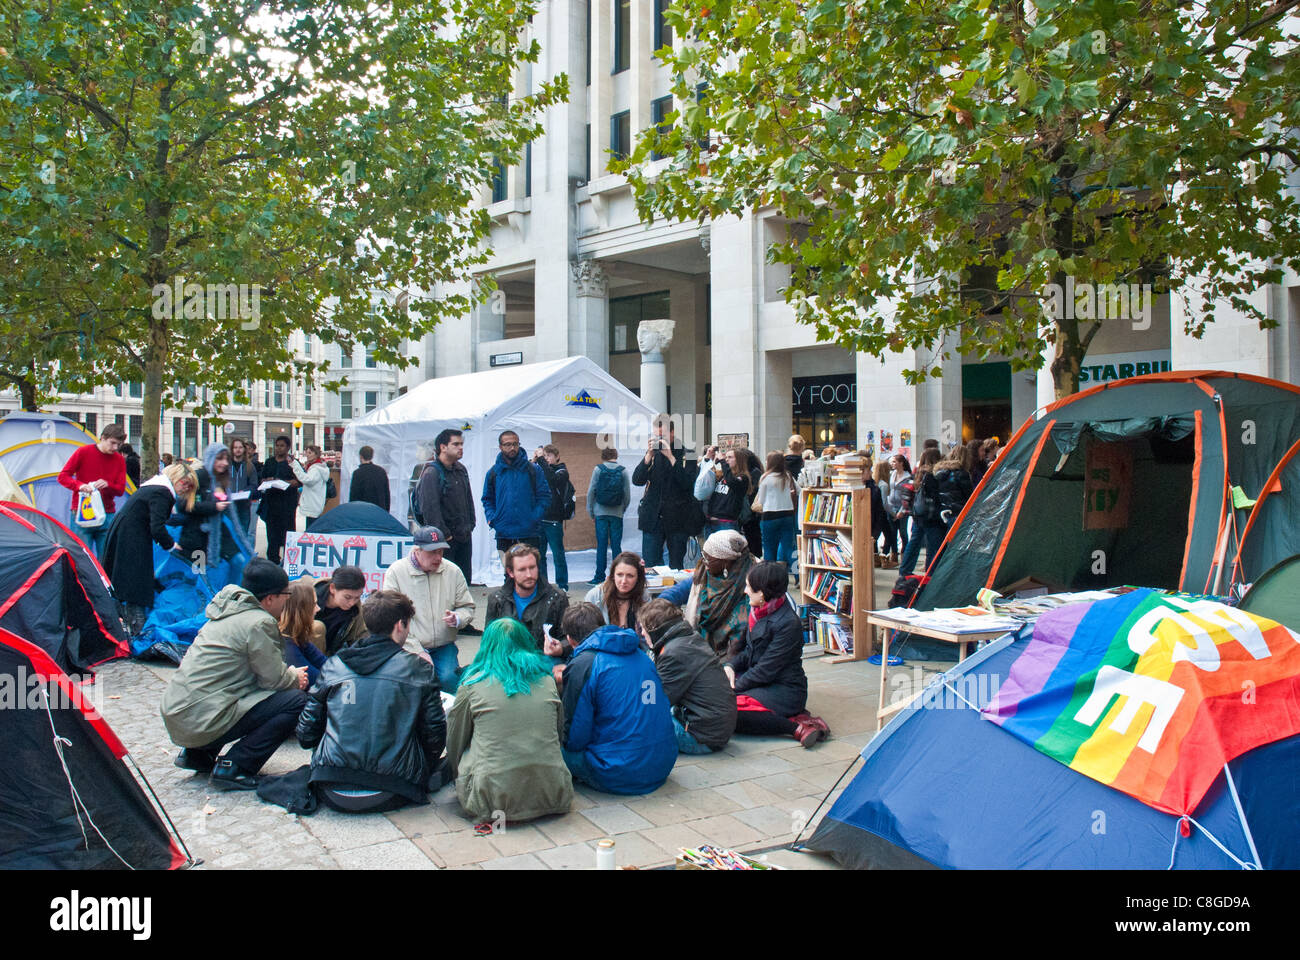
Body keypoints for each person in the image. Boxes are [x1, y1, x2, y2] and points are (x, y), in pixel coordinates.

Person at [161, 559, 310, 789]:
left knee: (237, 688)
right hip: (201, 721)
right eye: (285, 595)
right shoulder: (259, 622)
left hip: (180, 714)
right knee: (295, 701)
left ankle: (197, 755)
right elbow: (274, 679)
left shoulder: (226, 611)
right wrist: (294, 677)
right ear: (270, 598)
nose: (287, 601)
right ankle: (235, 766)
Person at [296, 590, 449, 813]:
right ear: (400, 626)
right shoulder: (419, 669)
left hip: (330, 786)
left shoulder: (334, 666)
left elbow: (306, 734)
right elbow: (434, 737)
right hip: (392, 789)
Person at [444, 618, 574, 823]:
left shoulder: (471, 685)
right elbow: (557, 734)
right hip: (553, 793)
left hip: (490, 802)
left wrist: (455, 774)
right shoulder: (547, 681)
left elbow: (455, 741)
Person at [555, 602, 677, 795]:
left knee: (553, 751)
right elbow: (652, 705)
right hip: (662, 761)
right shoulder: (641, 654)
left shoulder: (585, 664)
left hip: (618, 770)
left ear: (569, 640)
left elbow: (576, 737)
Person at [726, 561, 829, 748]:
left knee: (728, 711)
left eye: (749, 587)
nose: (745, 591)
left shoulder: (788, 623)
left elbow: (767, 668)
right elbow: (750, 651)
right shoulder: (758, 611)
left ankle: (795, 728)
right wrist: (730, 666)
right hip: (760, 680)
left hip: (784, 688)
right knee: (716, 698)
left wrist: (732, 689)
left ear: (762, 594)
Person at [102, 461, 198, 634]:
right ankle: (138, 628)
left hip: (126, 532)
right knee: (137, 584)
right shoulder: (163, 493)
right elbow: (157, 527)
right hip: (132, 536)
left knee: (126, 581)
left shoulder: (154, 488)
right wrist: (171, 545)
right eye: (186, 485)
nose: (186, 490)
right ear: (179, 480)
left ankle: (124, 622)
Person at [382, 525, 475, 693]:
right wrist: (416, 650)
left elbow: (467, 607)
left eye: (441, 552)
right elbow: (390, 618)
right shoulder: (396, 572)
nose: (438, 557)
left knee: (449, 679)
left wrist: (458, 618)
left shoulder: (453, 571)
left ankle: (451, 716)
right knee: (415, 682)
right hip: (407, 645)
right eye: (432, 552)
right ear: (417, 550)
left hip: (443, 644)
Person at [640, 598, 737, 755]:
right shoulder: (689, 639)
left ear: (654, 629)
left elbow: (653, 702)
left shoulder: (673, 653)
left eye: (644, 628)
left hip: (699, 737)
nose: (642, 633)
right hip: (714, 731)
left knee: (635, 721)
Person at [416, 428, 477, 590]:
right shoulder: (432, 473)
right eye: (455, 444)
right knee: (445, 586)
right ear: (443, 447)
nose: (460, 448)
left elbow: (468, 499)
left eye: (461, 444)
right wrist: (445, 535)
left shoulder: (461, 469)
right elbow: (429, 508)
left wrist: (471, 524)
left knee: (463, 584)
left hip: (464, 536)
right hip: (446, 541)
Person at [681, 529, 756, 658]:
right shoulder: (705, 573)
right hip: (703, 654)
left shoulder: (755, 580)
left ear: (725, 561)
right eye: (703, 556)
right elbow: (681, 589)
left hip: (739, 657)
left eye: (708, 558)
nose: (704, 561)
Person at [481, 429, 549, 571]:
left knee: (535, 574)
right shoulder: (493, 473)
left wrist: (534, 517)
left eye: (515, 444)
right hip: (504, 534)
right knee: (509, 575)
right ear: (500, 447)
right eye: (507, 444)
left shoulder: (533, 470)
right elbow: (487, 499)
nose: (512, 448)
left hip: (530, 533)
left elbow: (544, 496)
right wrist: (493, 519)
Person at [57, 422, 128, 556]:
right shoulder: (83, 452)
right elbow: (63, 477)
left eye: (118, 445)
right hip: (82, 511)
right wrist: (80, 486)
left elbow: (120, 490)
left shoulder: (119, 460)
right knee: (82, 557)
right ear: (102, 438)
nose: (115, 447)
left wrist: (108, 485)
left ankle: (104, 577)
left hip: (107, 514)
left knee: (106, 558)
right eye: (112, 443)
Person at [177, 442, 250, 571]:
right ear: (211, 458)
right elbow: (183, 504)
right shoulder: (197, 476)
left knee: (238, 561)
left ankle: (229, 590)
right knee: (198, 574)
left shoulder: (222, 479)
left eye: (227, 459)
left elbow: (231, 515)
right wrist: (214, 507)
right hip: (196, 535)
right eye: (219, 458)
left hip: (218, 533)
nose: (225, 463)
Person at [483, 543, 569, 653]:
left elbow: (569, 638)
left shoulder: (557, 597)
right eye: (522, 570)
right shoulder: (496, 599)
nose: (529, 574)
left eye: (532, 568)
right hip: (507, 662)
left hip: (546, 660)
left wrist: (561, 648)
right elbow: (488, 641)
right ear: (510, 572)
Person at [632, 418, 693, 568]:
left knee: (676, 566)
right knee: (650, 565)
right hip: (653, 517)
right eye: (656, 436)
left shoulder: (688, 453)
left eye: (662, 436)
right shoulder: (653, 454)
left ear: (672, 433)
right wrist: (648, 456)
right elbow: (637, 480)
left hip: (677, 519)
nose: (660, 440)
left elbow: (687, 484)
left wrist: (671, 457)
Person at [587, 446, 630, 584]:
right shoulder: (623, 471)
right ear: (616, 455)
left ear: (603, 456)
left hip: (600, 513)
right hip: (616, 513)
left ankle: (599, 577)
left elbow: (591, 491)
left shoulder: (598, 469)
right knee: (616, 546)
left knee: (602, 546)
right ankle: (617, 576)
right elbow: (627, 495)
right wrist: (622, 510)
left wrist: (591, 511)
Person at [898, 448, 943, 576]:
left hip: (918, 515)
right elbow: (936, 496)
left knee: (914, 543)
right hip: (932, 516)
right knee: (933, 547)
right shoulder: (934, 475)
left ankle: (905, 570)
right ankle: (930, 573)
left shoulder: (917, 474)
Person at [534, 443, 572, 590]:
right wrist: (535, 461)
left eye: (549, 455)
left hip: (554, 520)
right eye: (545, 455)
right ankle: (543, 586)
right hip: (540, 519)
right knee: (539, 556)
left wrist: (541, 461)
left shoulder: (562, 471)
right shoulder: (541, 468)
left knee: (558, 555)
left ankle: (563, 585)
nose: (547, 458)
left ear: (557, 457)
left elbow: (552, 479)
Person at [583, 551, 650, 630]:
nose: (624, 581)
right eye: (619, 575)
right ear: (613, 575)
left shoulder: (644, 595)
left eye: (630, 576)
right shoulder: (595, 596)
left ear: (638, 578)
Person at [259, 436, 301, 564]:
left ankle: (289, 561)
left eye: (282, 445)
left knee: (288, 534)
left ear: (288, 447)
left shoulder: (293, 463)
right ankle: (272, 561)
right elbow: (262, 479)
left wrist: (284, 482)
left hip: (287, 504)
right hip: (271, 504)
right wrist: (268, 481)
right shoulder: (269, 462)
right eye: (277, 445)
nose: (278, 448)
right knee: (271, 535)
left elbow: (299, 481)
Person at [310, 565, 369, 655]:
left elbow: (361, 637)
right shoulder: (308, 595)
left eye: (357, 597)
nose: (352, 603)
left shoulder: (356, 610)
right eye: (347, 597)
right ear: (332, 588)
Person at [279, 578, 328, 686]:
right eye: (314, 604)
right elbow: (317, 682)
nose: (318, 609)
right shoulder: (286, 646)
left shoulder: (297, 637)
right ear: (301, 610)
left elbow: (326, 664)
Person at [694, 447, 751, 538]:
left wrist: (722, 461)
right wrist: (708, 458)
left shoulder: (743, 478)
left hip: (726, 523)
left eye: (730, 457)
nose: (726, 459)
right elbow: (701, 477)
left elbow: (732, 482)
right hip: (711, 521)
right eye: (726, 457)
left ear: (739, 460)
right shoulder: (723, 476)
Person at [753, 451, 797, 566]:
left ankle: (770, 577)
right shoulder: (787, 476)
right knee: (789, 548)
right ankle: (798, 578)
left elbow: (761, 501)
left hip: (770, 516)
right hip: (787, 515)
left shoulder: (765, 478)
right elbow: (799, 490)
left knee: (769, 549)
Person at [228, 436, 261, 545]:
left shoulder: (249, 466)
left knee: (243, 534)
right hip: (229, 505)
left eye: (240, 447)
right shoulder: (226, 465)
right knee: (229, 534)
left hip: (244, 505)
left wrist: (246, 491)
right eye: (235, 447)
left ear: (244, 449)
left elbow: (254, 485)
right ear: (231, 449)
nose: (238, 450)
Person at [291, 444, 330, 528]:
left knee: (311, 529)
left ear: (316, 454)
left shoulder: (316, 469)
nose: (307, 455)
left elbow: (307, 480)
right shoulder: (316, 467)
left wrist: (295, 465)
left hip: (313, 504)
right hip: (314, 503)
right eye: (306, 452)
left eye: (310, 452)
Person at [887, 453, 913, 561]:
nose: (892, 464)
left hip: (903, 507)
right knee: (892, 531)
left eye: (894, 462)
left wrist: (902, 510)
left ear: (901, 463)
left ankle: (905, 553)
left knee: (903, 532)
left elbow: (908, 495)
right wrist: (890, 508)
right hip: (892, 506)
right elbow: (889, 490)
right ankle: (894, 553)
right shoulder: (892, 474)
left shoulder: (908, 476)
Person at [349, 444, 391, 512]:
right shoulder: (381, 471)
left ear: (360, 456)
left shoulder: (357, 473)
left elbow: (354, 496)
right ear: (372, 456)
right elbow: (387, 494)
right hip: (379, 511)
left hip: (363, 511)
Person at [872, 459, 897, 564]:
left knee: (875, 537)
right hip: (882, 514)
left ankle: (876, 558)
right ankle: (885, 558)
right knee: (889, 535)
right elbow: (884, 503)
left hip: (874, 513)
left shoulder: (874, 483)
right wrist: (894, 514)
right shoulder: (884, 485)